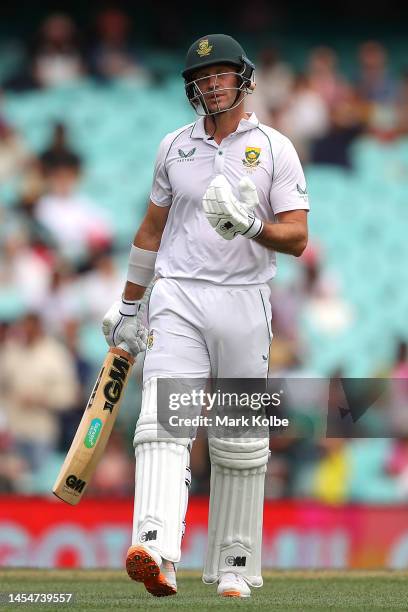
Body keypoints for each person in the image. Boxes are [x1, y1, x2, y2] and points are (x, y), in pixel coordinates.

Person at [102, 34, 309, 599]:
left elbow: (297, 238)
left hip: (246, 297)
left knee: (240, 438)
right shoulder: (174, 147)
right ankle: (156, 546)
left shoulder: (273, 147)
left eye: (221, 73)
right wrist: (127, 305)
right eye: (202, 76)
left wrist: (252, 227)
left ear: (244, 79)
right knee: (163, 419)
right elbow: (151, 230)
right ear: (191, 87)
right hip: (179, 296)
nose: (211, 83)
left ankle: (235, 563)